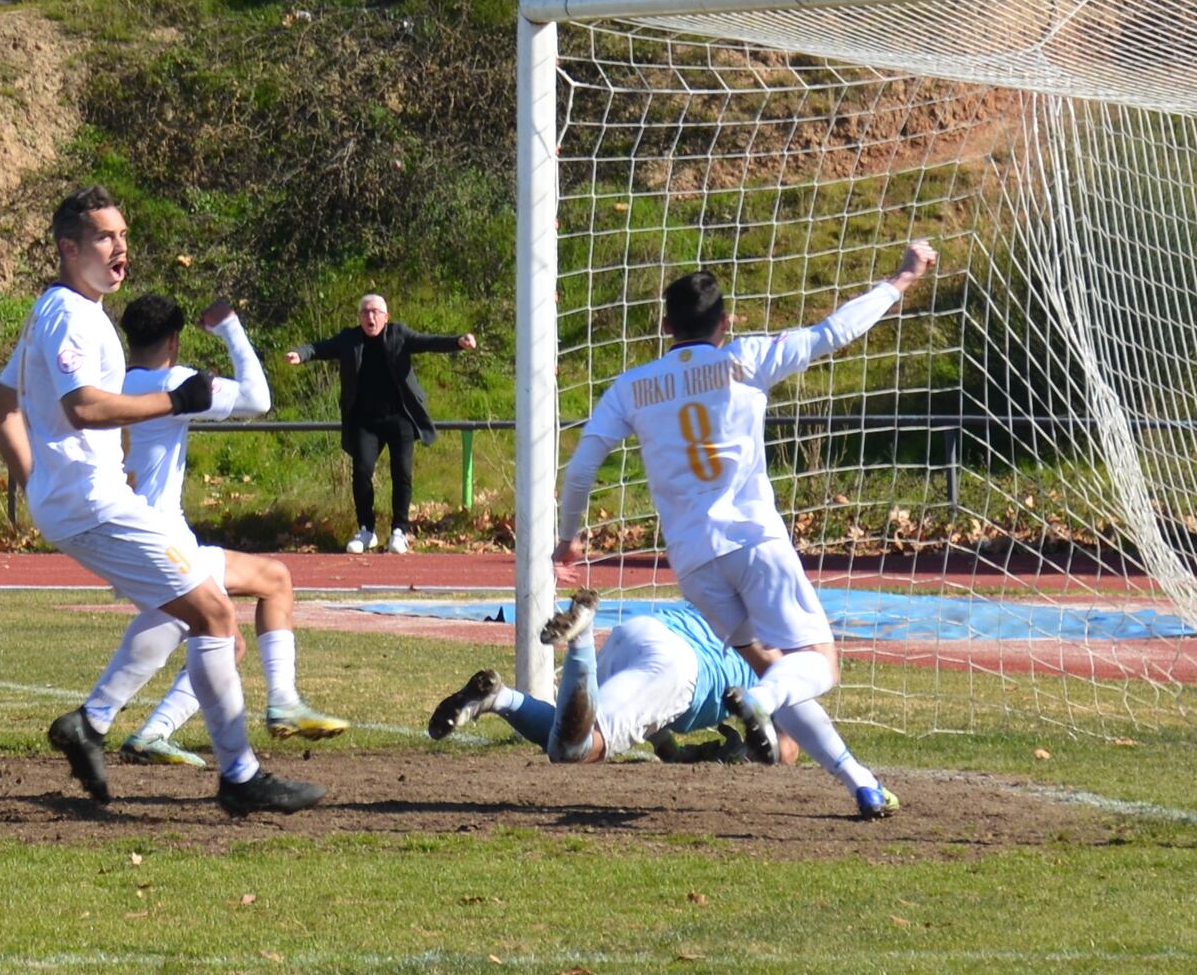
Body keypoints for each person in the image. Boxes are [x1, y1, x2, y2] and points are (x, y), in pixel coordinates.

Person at [551, 251, 940, 819]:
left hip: (693, 561)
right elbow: (835, 331)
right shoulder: (747, 357)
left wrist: (570, 538)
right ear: (725, 323)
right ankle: (761, 702)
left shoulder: (633, 386)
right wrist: (901, 279)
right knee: (819, 665)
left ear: (665, 327)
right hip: (755, 541)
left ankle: (861, 782)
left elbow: (583, 466)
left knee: (771, 665)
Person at [0, 184, 320, 817]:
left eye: (122, 236)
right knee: (215, 617)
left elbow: (0, 405)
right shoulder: (69, 314)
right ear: (69, 247)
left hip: (90, 502)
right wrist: (178, 400)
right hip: (96, 503)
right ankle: (239, 775)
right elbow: (84, 408)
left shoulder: (54, 308)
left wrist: (35, 482)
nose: (120, 248)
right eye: (104, 237)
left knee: (192, 613)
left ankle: (92, 724)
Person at [112, 289, 345, 762]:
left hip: (124, 540)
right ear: (174, 341)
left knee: (228, 642)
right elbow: (258, 399)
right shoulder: (173, 383)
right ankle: (281, 704)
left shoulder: (107, 386)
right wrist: (229, 327)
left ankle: (151, 735)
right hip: (162, 543)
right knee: (275, 580)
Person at [429, 595, 771, 763]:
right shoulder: (777, 659)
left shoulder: (721, 599)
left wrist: (676, 753)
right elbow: (781, 750)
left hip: (641, 633)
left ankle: (498, 698)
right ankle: (582, 634)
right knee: (572, 750)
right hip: (678, 669)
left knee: (567, 730)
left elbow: (654, 716)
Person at [290, 294, 482, 553]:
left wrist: (458, 342)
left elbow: (429, 342)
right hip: (365, 421)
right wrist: (300, 355)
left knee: (402, 473)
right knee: (361, 471)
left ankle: (399, 531)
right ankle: (366, 530)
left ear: (385, 317)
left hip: (400, 418)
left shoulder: (398, 335)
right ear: (359, 317)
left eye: (375, 312)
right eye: (365, 312)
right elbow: (318, 348)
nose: (370, 317)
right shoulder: (349, 339)